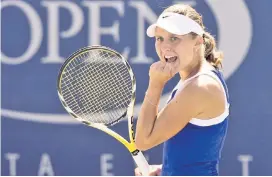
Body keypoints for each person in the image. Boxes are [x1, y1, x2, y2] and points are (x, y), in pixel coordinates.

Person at [134, 4, 229, 176]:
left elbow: (143, 140)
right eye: (159, 38)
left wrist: (155, 84)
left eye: (174, 38)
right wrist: (166, 170)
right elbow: (200, 153)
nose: (165, 47)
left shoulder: (199, 87)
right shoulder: (196, 78)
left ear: (198, 41)